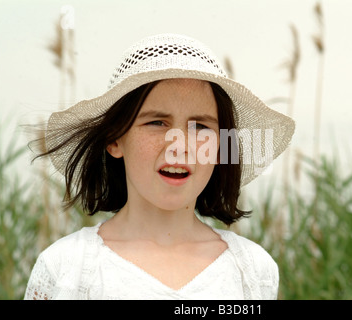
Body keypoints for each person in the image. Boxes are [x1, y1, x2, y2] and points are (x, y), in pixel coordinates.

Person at [24, 33, 295, 300]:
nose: (179, 146)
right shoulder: (65, 270)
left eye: (200, 126)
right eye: (157, 123)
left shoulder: (254, 272)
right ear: (115, 138)